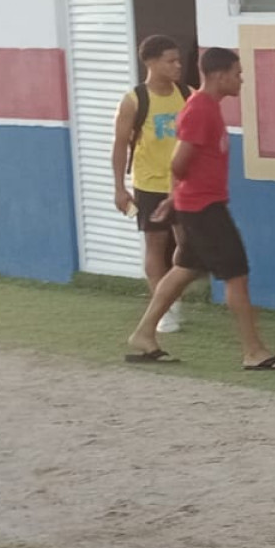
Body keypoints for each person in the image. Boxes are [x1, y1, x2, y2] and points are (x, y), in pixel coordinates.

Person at [123, 47, 275, 371]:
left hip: (199, 205)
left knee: (184, 268)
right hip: (204, 208)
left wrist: (176, 198)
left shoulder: (207, 107)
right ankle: (253, 351)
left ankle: (144, 335)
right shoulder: (200, 109)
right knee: (236, 275)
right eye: (237, 73)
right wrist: (181, 196)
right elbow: (178, 162)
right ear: (219, 75)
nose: (240, 79)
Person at [110, 35, 193, 333]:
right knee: (155, 245)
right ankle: (164, 308)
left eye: (178, 60)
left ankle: (173, 296)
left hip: (182, 186)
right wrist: (120, 188)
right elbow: (120, 145)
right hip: (150, 185)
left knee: (187, 246)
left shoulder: (187, 94)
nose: (177, 66)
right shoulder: (135, 101)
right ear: (151, 63)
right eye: (170, 61)